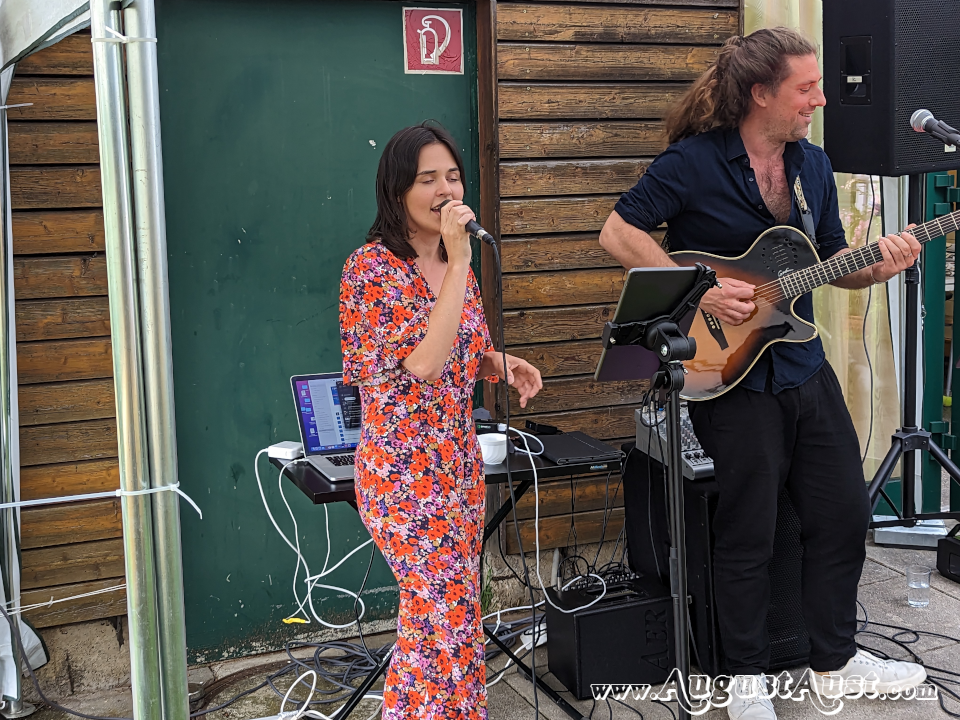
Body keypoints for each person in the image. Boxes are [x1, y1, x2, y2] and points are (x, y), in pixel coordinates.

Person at [599, 28, 927, 720]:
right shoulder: (692, 163)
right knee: (748, 528)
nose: (821, 99)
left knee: (843, 513)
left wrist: (883, 262)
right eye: (805, 88)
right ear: (761, 94)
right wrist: (699, 287)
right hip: (730, 375)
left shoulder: (810, 166)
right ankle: (746, 679)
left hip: (802, 366)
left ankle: (833, 660)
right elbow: (618, 233)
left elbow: (836, 259)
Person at [340, 122, 542, 719]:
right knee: (443, 620)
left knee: (444, 625)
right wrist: (458, 263)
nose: (445, 188)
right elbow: (423, 363)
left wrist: (497, 363)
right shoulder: (371, 270)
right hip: (403, 474)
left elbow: (456, 346)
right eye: (427, 178)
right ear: (397, 190)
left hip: (456, 466)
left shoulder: (455, 265)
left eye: (452, 175)